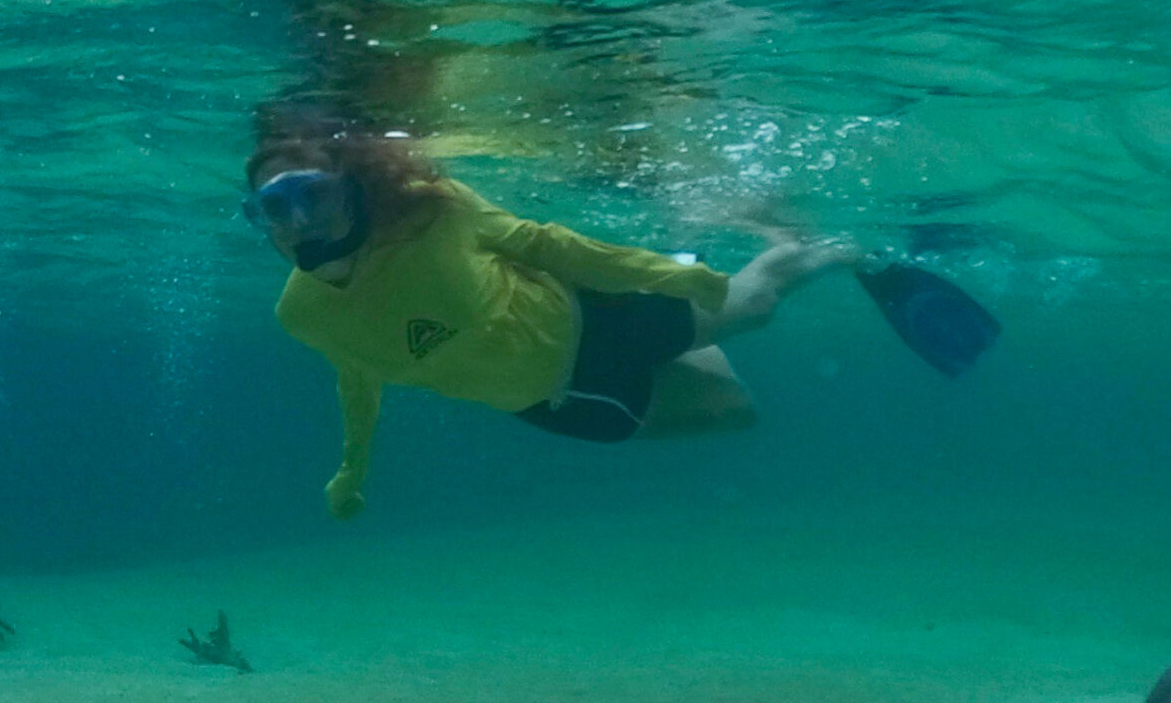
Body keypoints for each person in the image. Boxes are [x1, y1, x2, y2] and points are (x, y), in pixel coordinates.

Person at [245, 126, 854, 520]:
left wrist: (669, 278)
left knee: (753, 306)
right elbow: (357, 377)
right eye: (275, 209)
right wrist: (353, 469)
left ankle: (819, 247)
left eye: (312, 196)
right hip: (547, 399)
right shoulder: (299, 313)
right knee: (733, 411)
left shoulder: (433, 213)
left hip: (592, 316)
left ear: (349, 192)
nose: (299, 221)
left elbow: (545, 243)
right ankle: (693, 332)